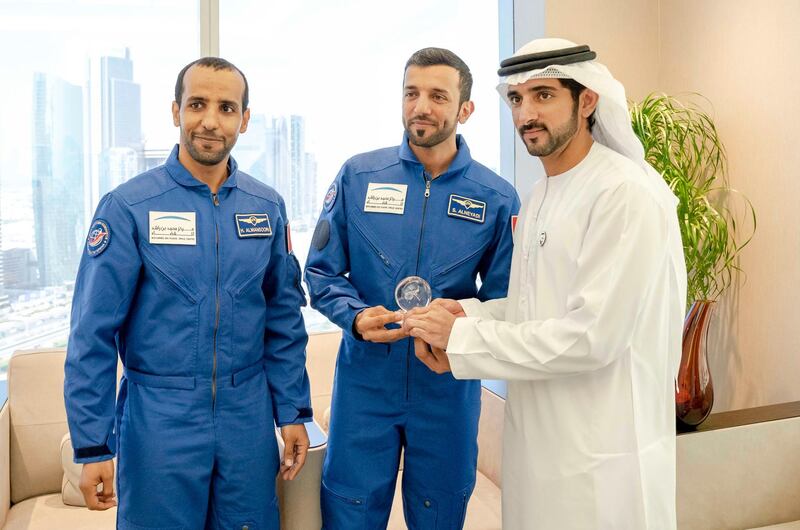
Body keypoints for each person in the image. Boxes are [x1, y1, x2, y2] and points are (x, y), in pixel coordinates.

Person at [403, 38, 687, 529]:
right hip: (540, 444)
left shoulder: (624, 193)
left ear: (588, 100)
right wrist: (465, 314)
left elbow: (593, 335)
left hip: (605, 453)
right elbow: (538, 304)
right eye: (516, 98)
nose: (526, 113)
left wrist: (464, 338)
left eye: (544, 95)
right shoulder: (540, 194)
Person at [64, 57, 313, 529]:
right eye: (197, 104)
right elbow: (91, 334)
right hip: (159, 419)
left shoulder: (266, 207)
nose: (210, 120)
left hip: (248, 419)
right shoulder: (128, 208)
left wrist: (293, 411)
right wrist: (94, 444)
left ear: (244, 119)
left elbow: (283, 319)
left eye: (225, 107)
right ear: (175, 110)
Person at [304, 48, 520, 529]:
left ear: (465, 110)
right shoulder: (359, 177)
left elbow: (505, 302)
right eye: (412, 93)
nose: (421, 106)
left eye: (438, 96)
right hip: (365, 384)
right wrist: (355, 318)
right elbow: (319, 273)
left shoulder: (496, 197)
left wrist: (458, 327)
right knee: (349, 511)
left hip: (446, 386)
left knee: (439, 512)